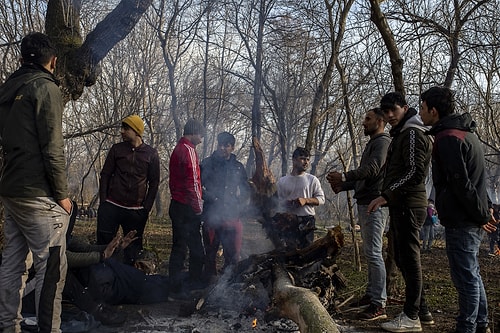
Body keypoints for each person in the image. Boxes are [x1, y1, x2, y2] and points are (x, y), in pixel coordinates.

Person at [0, 32, 73, 333]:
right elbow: (52, 147)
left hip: (11, 189)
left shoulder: (8, 88)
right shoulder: (45, 87)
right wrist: (63, 194)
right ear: (52, 61)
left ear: (20, 58)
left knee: (13, 263)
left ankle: (7, 326)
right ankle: (49, 330)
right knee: (52, 265)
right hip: (38, 193)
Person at [420, 86, 496, 333]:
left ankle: (467, 327)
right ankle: (481, 323)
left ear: (433, 110)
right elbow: (474, 181)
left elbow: (462, 184)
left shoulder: (448, 138)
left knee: (465, 278)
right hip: (468, 217)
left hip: (463, 221)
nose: (420, 113)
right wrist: (482, 211)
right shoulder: (464, 133)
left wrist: (481, 214)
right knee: (472, 274)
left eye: (422, 108)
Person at [367, 92, 434, 332]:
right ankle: (422, 310)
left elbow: (415, 172)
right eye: (386, 112)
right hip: (401, 205)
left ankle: (411, 316)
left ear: (405, 107)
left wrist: (387, 195)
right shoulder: (403, 134)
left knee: (410, 260)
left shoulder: (413, 133)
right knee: (405, 261)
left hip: (410, 205)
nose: (389, 115)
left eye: (393, 110)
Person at [327, 107, 390, 321]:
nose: (364, 122)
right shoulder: (373, 143)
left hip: (375, 203)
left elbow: (372, 170)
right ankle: (372, 296)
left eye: (368, 118)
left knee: (373, 252)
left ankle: (379, 303)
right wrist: (343, 185)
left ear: (380, 121)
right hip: (366, 201)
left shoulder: (382, 143)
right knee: (371, 251)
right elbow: (365, 177)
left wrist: (344, 174)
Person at [96, 114, 160, 265]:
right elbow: (105, 174)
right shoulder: (116, 150)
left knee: (132, 251)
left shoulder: (151, 154)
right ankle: (101, 280)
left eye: (126, 128)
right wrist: (104, 202)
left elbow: (154, 182)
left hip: (136, 211)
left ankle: (127, 282)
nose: (122, 132)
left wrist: (146, 209)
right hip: (111, 206)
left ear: (137, 131)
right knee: (103, 246)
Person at [201, 132, 251, 277]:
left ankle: (229, 283)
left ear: (232, 147)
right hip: (211, 215)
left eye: (226, 145)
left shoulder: (237, 167)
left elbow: (245, 189)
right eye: (220, 145)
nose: (222, 148)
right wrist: (212, 198)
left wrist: (240, 206)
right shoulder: (207, 163)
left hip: (231, 215)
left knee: (231, 253)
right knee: (210, 252)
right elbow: (197, 186)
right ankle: (208, 282)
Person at [168, 118, 206, 298]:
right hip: (187, 208)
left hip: (177, 205)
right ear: (193, 132)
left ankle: (175, 288)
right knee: (196, 249)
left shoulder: (178, 149)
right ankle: (193, 286)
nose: (202, 138)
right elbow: (193, 184)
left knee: (179, 248)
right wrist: (199, 209)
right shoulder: (188, 150)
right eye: (200, 134)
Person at [276, 147, 325, 248]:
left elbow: (321, 199)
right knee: (288, 250)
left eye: (307, 159)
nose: (306, 162)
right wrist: (286, 204)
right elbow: (278, 202)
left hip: (307, 220)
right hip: (288, 220)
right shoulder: (283, 181)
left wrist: (305, 200)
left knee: (306, 251)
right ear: (294, 160)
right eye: (302, 158)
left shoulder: (312, 180)